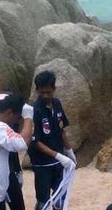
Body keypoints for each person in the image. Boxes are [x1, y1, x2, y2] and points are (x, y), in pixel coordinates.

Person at [28, 70, 76, 210]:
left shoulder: (57, 104)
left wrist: (68, 150)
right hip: (42, 163)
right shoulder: (34, 110)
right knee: (43, 201)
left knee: (60, 196)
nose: (45, 96)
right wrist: (58, 156)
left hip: (59, 160)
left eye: (48, 92)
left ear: (54, 89)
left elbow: (61, 129)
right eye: (42, 93)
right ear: (37, 90)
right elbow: (36, 141)